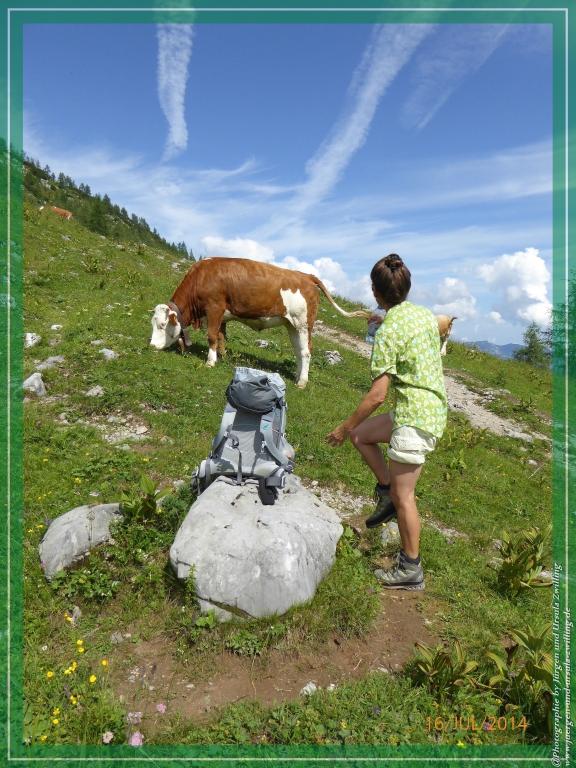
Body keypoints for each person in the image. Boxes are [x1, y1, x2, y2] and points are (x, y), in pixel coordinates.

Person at [326, 254, 447, 591]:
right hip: (429, 408)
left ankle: (411, 568)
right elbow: (438, 325)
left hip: (415, 416)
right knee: (363, 437)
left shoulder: (388, 333)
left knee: (406, 495)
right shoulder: (422, 315)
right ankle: (386, 492)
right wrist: (384, 321)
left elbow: (377, 395)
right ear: (405, 288)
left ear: (375, 291)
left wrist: (343, 426)